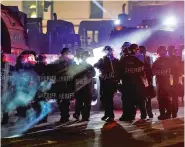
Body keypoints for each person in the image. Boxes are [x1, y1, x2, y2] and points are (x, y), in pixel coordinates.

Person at [119, 44, 147, 121]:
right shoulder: (125, 59)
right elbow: (120, 71)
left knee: (140, 99)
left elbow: (145, 69)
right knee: (131, 100)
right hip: (129, 83)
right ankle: (132, 115)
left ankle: (142, 114)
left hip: (137, 82)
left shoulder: (141, 57)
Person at [50, 48, 75, 123]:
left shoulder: (58, 61)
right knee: (64, 101)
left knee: (62, 101)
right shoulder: (69, 61)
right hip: (64, 84)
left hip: (62, 85)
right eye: (67, 53)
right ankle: (65, 116)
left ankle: (64, 116)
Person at [94, 46, 119, 122]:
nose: (107, 52)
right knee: (104, 99)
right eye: (105, 51)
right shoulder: (102, 59)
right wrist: (102, 65)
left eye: (108, 50)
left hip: (111, 82)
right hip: (104, 82)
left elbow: (119, 70)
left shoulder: (115, 60)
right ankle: (107, 114)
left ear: (111, 51)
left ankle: (110, 115)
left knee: (109, 99)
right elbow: (95, 65)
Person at [73, 51, 96, 121]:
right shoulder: (77, 66)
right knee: (79, 103)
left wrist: (88, 73)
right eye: (84, 56)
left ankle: (85, 117)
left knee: (87, 103)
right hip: (80, 87)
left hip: (87, 87)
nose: (85, 58)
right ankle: (77, 114)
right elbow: (74, 76)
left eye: (86, 56)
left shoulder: (89, 66)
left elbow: (93, 74)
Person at [152, 46, 172, 120]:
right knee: (167, 99)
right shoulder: (169, 61)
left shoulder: (156, 62)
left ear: (158, 53)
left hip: (160, 83)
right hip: (167, 83)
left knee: (161, 99)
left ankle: (163, 114)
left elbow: (152, 73)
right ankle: (169, 113)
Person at [167, 46, 183, 118]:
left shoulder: (175, 58)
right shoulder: (174, 58)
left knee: (173, 97)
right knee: (172, 97)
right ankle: (172, 112)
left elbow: (179, 70)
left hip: (173, 80)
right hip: (170, 80)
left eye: (170, 50)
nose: (170, 51)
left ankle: (172, 112)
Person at [139, 46, 153, 119]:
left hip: (147, 79)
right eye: (140, 50)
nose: (141, 52)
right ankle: (144, 113)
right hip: (140, 80)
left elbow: (151, 69)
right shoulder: (137, 58)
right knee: (142, 97)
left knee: (148, 97)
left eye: (143, 50)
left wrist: (150, 80)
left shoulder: (148, 58)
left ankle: (149, 113)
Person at [1, 52, 15, 125]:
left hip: (5, 88)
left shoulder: (9, 66)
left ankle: (5, 119)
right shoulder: (9, 66)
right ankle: (5, 119)